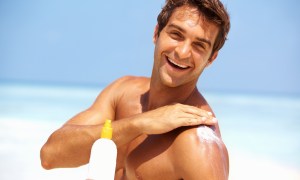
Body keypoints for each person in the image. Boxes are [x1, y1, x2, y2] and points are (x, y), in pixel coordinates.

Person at [40, 0, 230, 179]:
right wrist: (139, 124)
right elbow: (50, 156)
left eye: (199, 45)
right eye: (176, 35)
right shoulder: (123, 92)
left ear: (211, 58)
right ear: (156, 33)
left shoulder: (197, 143)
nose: (182, 52)